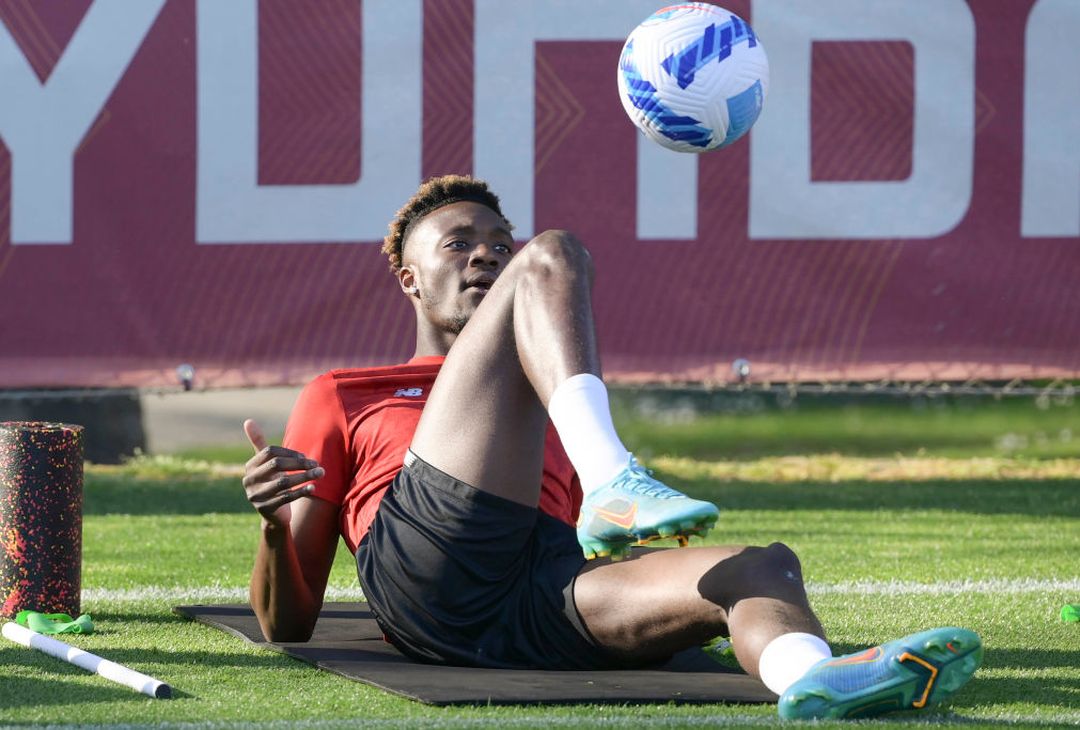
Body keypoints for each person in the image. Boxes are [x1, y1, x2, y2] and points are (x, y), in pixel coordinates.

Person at [241, 175, 982, 720]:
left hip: (538, 588)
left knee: (762, 567)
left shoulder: (557, 389)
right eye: (459, 243)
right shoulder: (346, 391)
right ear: (408, 277)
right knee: (555, 252)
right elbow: (287, 626)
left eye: (498, 244)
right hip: (429, 573)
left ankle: (813, 681)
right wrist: (275, 528)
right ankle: (614, 481)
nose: (486, 255)